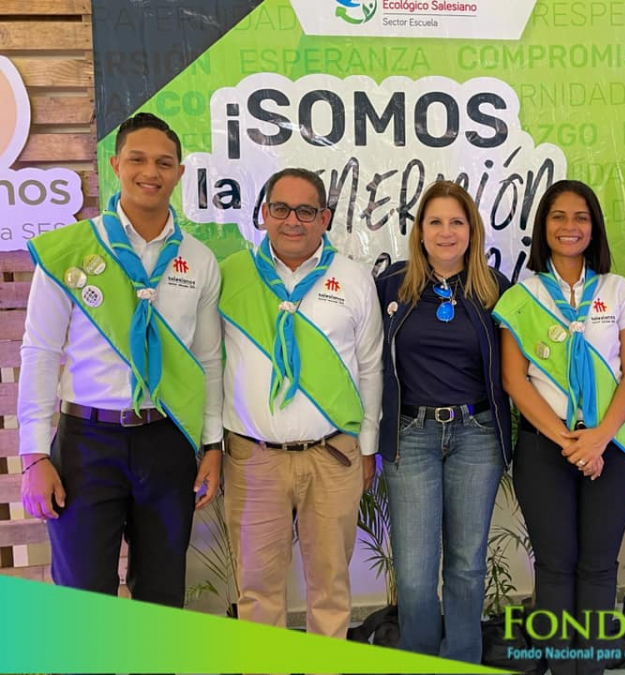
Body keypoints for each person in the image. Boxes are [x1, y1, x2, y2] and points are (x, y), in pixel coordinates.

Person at [18, 112, 223, 606]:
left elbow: (208, 360)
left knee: (161, 593)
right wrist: (34, 456)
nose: (150, 172)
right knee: (84, 595)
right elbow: (40, 353)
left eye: (164, 163)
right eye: (137, 159)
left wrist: (212, 444)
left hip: (167, 440)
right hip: (86, 444)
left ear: (178, 173)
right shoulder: (70, 251)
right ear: (115, 165)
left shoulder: (199, 259)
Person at [219, 167, 382, 637]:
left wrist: (366, 447)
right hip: (253, 459)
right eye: (281, 208)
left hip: (332, 457)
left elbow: (370, 367)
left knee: (330, 589)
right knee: (257, 591)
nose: (293, 221)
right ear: (264, 214)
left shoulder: (352, 278)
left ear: (324, 218)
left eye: (306, 211)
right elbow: (210, 362)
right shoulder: (230, 275)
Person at [495, 179, 625, 675]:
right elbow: (515, 380)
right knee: (555, 567)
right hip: (545, 448)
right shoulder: (523, 296)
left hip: (614, 446)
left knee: (599, 566)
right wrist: (570, 442)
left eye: (580, 217)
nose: (569, 226)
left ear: (594, 227)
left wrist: (598, 438)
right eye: (558, 216)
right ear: (543, 227)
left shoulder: (617, 290)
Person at [375, 180, 511, 662]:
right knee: (414, 572)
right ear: (420, 231)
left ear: (472, 230)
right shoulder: (392, 286)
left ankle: (463, 660)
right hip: (411, 436)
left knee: (466, 565)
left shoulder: (496, 289)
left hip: (477, 437)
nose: (446, 232)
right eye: (435, 221)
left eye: (457, 222)